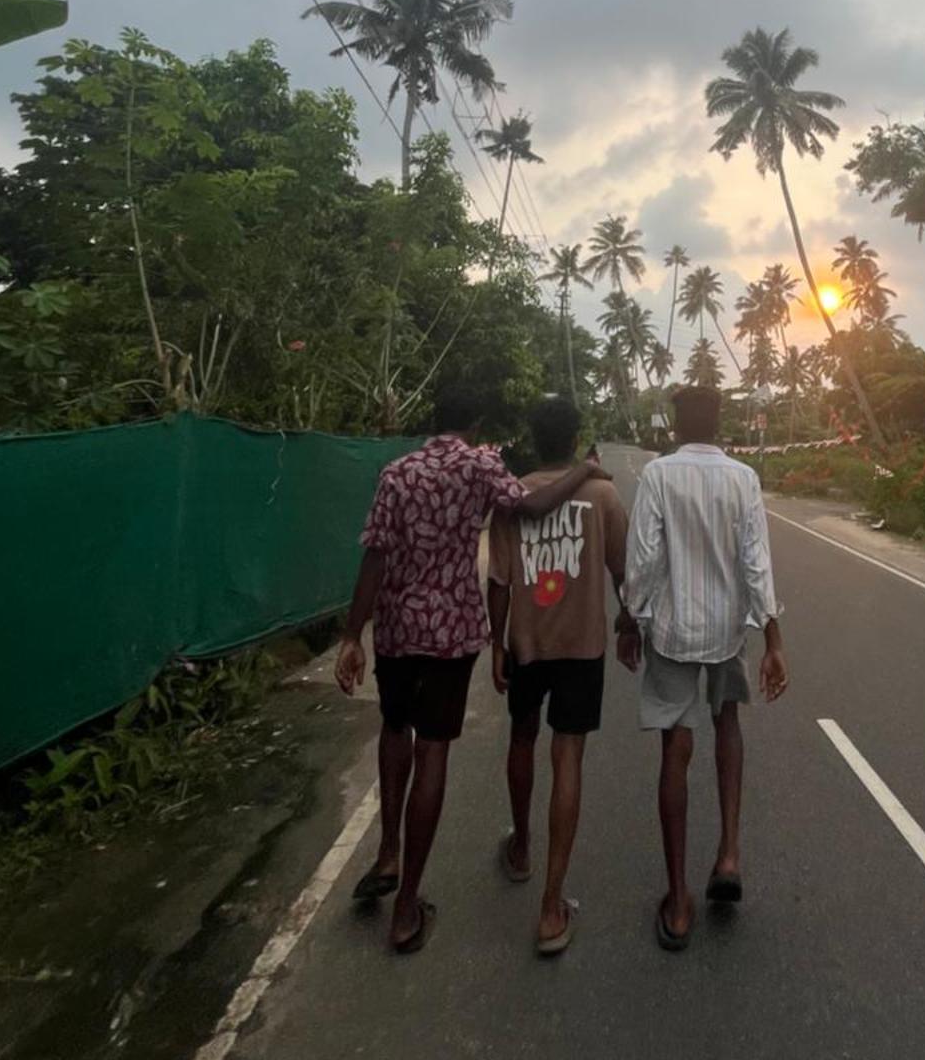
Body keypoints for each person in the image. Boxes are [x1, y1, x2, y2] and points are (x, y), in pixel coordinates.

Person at [335, 384, 607, 954]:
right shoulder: (480, 466)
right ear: (476, 423)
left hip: (397, 628)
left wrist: (350, 636)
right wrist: (584, 473)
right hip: (451, 632)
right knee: (433, 750)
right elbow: (530, 506)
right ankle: (407, 907)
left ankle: (387, 851)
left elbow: (375, 554)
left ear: (434, 418)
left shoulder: (396, 472)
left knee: (395, 732)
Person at [619, 384, 788, 950]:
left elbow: (642, 560)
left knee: (676, 747)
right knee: (729, 725)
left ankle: (677, 899)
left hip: (671, 630)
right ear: (720, 424)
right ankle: (730, 854)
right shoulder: (743, 479)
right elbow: (756, 561)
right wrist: (773, 637)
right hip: (726, 630)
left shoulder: (659, 477)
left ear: (674, 425)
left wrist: (628, 617)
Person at [487, 399, 627, 956]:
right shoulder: (603, 495)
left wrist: (494, 644)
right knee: (567, 757)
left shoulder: (513, 497)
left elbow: (499, 580)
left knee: (522, 736)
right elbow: (624, 572)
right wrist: (631, 622)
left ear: (531, 436)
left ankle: (521, 846)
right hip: (582, 646)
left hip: (527, 642)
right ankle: (551, 907)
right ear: (576, 439)